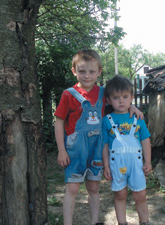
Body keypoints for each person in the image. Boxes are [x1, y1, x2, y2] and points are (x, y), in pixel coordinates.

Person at [54, 50, 144, 225]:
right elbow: (59, 122)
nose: (87, 76)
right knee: (72, 187)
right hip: (76, 149)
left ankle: (95, 222)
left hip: (97, 148)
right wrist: (61, 150)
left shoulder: (104, 94)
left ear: (99, 71)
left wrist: (132, 108)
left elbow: (121, 103)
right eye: (82, 71)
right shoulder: (68, 94)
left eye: (91, 71)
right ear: (74, 71)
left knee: (94, 187)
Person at [102, 75, 152, 225]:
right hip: (116, 165)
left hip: (136, 165)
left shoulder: (137, 117)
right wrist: (106, 166)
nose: (121, 101)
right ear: (109, 100)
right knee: (120, 194)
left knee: (140, 194)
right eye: (116, 98)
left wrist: (148, 161)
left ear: (131, 97)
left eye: (125, 97)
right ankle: (122, 222)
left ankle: (144, 221)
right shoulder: (106, 120)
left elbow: (145, 140)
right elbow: (104, 144)